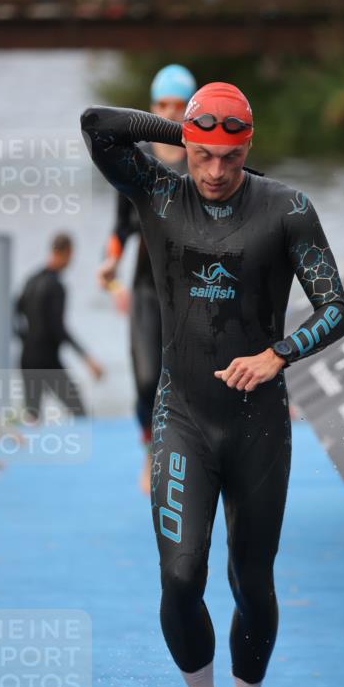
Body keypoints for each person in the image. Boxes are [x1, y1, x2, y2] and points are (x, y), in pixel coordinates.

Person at [80, 84, 344, 687]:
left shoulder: (286, 208)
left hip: (258, 421)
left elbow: (334, 310)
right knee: (179, 575)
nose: (213, 173)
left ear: (247, 148)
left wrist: (276, 355)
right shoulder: (159, 193)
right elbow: (97, 124)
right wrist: (176, 127)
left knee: (250, 579)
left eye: (228, 158)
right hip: (183, 417)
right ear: (186, 148)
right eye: (201, 156)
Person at [96, 64, 197, 493]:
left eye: (179, 105)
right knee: (144, 378)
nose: (170, 113)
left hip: (194, 289)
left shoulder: (204, 160)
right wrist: (110, 263)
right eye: (163, 105)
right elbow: (121, 227)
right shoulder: (138, 161)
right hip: (144, 288)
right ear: (152, 107)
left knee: (191, 380)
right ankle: (149, 449)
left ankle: (188, 456)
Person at [14, 233, 104, 421]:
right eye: (71, 255)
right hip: (48, 361)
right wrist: (87, 359)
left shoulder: (31, 280)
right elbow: (58, 329)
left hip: (27, 357)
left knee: (32, 416)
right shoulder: (56, 287)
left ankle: (32, 448)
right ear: (66, 252)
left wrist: (24, 338)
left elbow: (14, 311)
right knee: (79, 412)